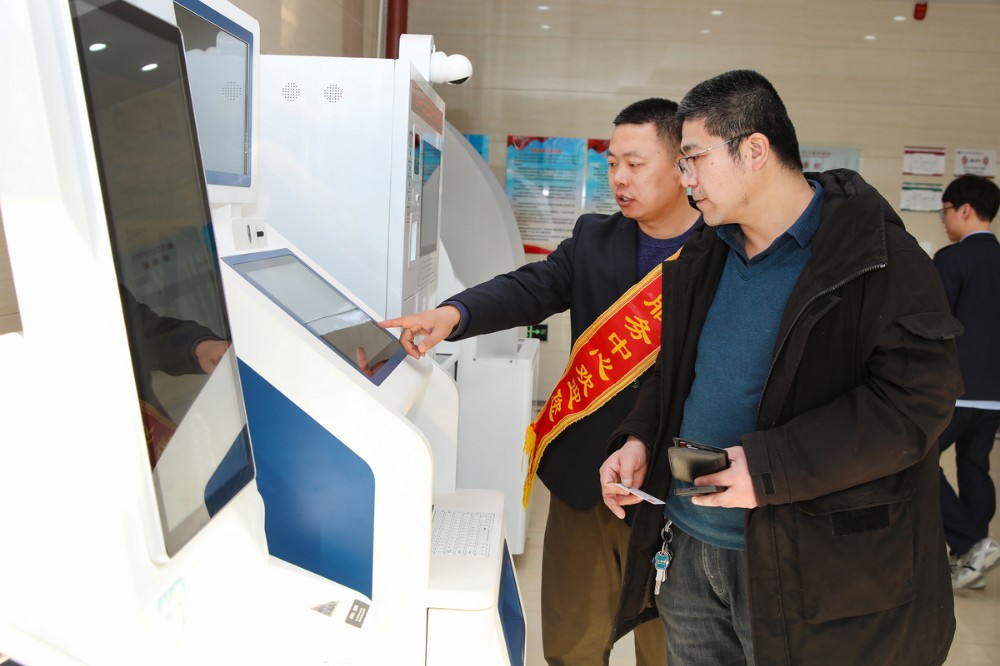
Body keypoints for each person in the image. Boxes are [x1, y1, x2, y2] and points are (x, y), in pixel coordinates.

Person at [599, 69, 963, 666]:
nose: (685, 180)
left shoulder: (875, 257)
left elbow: (915, 404)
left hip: (806, 567)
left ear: (754, 150)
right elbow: (678, 368)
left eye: (693, 159)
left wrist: (771, 467)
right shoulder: (708, 252)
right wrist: (640, 435)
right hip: (689, 551)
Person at [382, 98, 701, 666]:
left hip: (675, 492)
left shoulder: (722, 252)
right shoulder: (595, 238)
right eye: (611, 163)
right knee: (572, 646)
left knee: (674, 652)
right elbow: (530, 287)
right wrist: (453, 314)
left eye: (635, 164)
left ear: (683, 167)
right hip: (586, 481)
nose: (619, 179)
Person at [934, 174, 1000, 590]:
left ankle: (970, 543)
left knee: (918, 461)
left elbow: (935, 325)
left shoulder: (951, 260)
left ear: (965, 209)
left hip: (954, 391)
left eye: (945, 211)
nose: (943, 220)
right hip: (994, 396)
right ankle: (972, 559)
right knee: (975, 466)